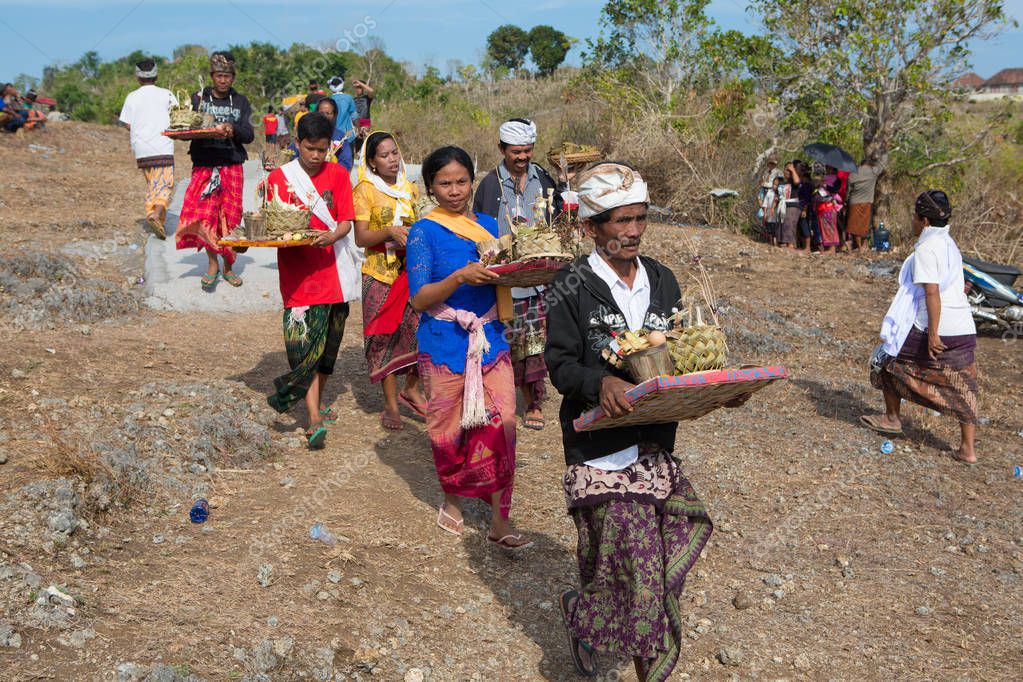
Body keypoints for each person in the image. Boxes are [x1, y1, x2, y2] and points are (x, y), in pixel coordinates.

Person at [544, 162, 714, 681]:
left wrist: (716, 391)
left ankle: (587, 612)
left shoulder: (663, 281)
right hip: (597, 450)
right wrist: (601, 383)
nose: (633, 231)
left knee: (658, 563)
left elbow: (679, 356)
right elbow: (559, 363)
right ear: (591, 226)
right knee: (639, 571)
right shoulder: (570, 284)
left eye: (640, 219)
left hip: (654, 447)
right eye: (620, 221)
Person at [406, 145, 532, 551]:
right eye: (445, 183)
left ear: (472, 183)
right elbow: (420, 299)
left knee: (503, 423)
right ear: (430, 187)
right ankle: (452, 499)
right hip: (443, 342)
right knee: (448, 427)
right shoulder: (423, 232)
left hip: (490, 340)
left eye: (462, 181)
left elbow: (507, 275)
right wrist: (460, 276)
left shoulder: (488, 226)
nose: (455, 190)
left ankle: (499, 517)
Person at [861, 190, 979, 463]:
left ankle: (891, 418)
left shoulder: (927, 248)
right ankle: (968, 449)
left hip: (937, 326)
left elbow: (932, 293)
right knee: (964, 383)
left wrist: (933, 333)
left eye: (914, 217)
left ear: (924, 220)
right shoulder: (950, 243)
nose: (912, 222)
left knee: (885, 359)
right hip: (964, 326)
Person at [265, 113, 359, 450]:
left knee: (325, 349)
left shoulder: (338, 174)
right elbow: (271, 225)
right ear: (296, 145)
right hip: (298, 274)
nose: (316, 156)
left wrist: (332, 235)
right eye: (310, 149)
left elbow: (346, 221)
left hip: (333, 271)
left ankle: (312, 405)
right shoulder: (279, 178)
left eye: (322, 150)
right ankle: (313, 417)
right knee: (302, 346)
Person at [472, 118, 563, 431]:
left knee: (537, 338)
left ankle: (533, 400)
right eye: (516, 152)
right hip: (507, 275)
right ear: (501, 150)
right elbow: (481, 230)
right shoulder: (489, 185)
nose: (523, 157)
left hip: (539, 274)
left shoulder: (544, 179)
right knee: (507, 336)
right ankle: (497, 395)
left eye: (527, 151)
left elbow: (560, 218)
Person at [353, 131, 427, 430]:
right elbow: (361, 237)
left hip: (410, 272)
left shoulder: (411, 190)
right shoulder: (365, 191)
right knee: (382, 335)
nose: (392, 160)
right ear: (372, 161)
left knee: (421, 330)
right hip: (379, 274)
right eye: (384, 156)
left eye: (394, 153)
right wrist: (389, 232)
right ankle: (391, 404)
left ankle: (411, 388)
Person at [175, 51, 254, 291]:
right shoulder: (198, 98)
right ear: (212, 76)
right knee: (205, 216)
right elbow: (186, 127)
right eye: (219, 75)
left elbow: (249, 134)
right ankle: (212, 265)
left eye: (227, 76)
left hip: (232, 164)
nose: (223, 80)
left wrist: (233, 129)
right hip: (205, 165)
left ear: (233, 77)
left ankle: (229, 267)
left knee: (230, 218)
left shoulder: (241, 102)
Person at [118, 59, 178, 239]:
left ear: (138, 77)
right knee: (165, 184)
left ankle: (157, 220)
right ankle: (156, 213)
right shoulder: (167, 94)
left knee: (153, 184)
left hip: (142, 149)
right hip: (162, 146)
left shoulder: (131, 97)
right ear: (156, 76)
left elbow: (127, 124)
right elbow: (177, 117)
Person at [846, 159, 886, 251]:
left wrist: (846, 201)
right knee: (864, 225)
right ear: (869, 164)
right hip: (866, 202)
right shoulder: (872, 172)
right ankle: (862, 247)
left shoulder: (852, 174)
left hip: (853, 202)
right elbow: (882, 166)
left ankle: (858, 245)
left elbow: (848, 191)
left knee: (854, 225)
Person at [326, 76, 358, 170]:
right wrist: (359, 129)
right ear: (342, 85)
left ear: (331, 87)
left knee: (332, 160)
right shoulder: (348, 98)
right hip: (348, 136)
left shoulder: (328, 100)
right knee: (347, 161)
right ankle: (346, 179)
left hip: (332, 136)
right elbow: (354, 116)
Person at [814, 168, 843, 253]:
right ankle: (828, 248)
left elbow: (834, 190)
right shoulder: (823, 177)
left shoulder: (837, 180)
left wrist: (824, 184)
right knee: (824, 228)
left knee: (830, 227)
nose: (828, 169)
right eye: (827, 167)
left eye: (830, 167)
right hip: (822, 207)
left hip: (828, 207)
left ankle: (832, 249)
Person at [761, 175, 780, 246]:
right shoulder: (769, 192)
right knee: (769, 229)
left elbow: (777, 201)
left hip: (777, 215)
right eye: (774, 184)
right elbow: (765, 203)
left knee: (775, 230)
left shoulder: (779, 193)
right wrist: (765, 213)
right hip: (769, 214)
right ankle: (771, 243)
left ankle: (776, 243)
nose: (775, 186)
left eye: (776, 185)